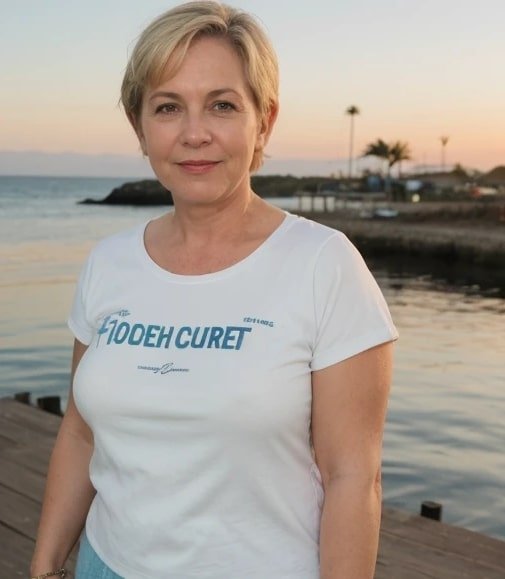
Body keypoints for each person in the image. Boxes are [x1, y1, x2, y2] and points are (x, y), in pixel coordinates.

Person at [30, 2, 398, 578]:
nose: (194, 134)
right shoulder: (109, 263)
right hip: (106, 563)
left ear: (264, 121)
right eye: (168, 107)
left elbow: (353, 476)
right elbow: (80, 432)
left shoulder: (324, 266)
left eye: (222, 105)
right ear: (140, 127)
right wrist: (46, 566)